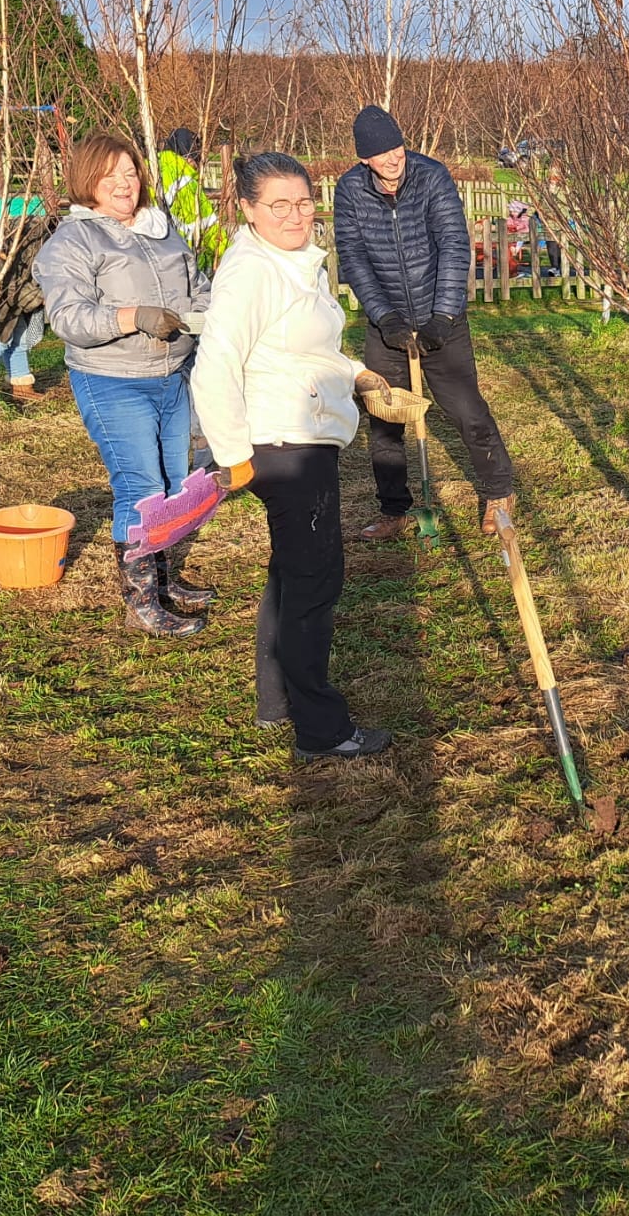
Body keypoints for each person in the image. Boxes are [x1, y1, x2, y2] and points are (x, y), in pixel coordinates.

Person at [192, 152, 395, 761]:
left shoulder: (293, 263)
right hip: (284, 444)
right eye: (278, 205)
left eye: (304, 201)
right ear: (249, 210)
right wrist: (233, 456)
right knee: (314, 583)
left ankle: (277, 703)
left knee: (290, 575)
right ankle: (321, 731)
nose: (295, 215)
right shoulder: (252, 271)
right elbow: (215, 364)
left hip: (302, 433)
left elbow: (304, 348)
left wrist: (359, 374)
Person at [34, 133, 214, 636]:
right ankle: (139, 605)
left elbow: (196, 285)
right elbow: (68, 317)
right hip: (113, 379)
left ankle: (160, 581)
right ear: (87, 180)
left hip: (172, 373)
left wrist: (206, 315)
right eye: (111, 174)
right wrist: (133, 316)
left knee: (173, 484)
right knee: (140, 488)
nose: (124, 183)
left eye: (131, 172)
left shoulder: (162, 228)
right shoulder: (73, 241)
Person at [333, 103, 516, 540]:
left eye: (397, 148)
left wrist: (443, 316)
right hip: (387, 324)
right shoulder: (350, 190)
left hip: (441, 318)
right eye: (382, 154)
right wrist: (385, 316)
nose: (394, 159)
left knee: (466, 410)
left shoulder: (431, 176)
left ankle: (499, 492)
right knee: (384, 420)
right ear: (364, 159)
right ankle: (395, 511)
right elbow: (353, 258)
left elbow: (454, 243)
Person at [159, 127, 229, 274]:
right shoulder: (185, 181)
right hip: (185, 260)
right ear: (189, 156)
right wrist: (228, 255)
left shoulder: (150, 169)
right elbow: (207, 224)